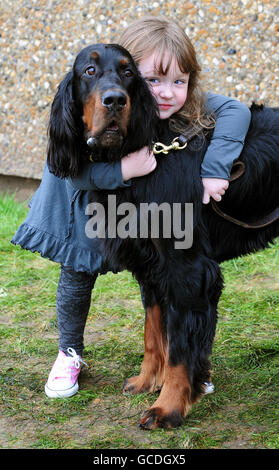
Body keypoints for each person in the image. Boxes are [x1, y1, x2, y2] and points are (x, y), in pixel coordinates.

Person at [11, 16, 251, 399]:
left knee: (155, 269)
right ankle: (68, 352)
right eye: (152, 80)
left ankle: (180, 363)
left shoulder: (163, 113)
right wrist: (123, 169)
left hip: (120, 216)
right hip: (76, 219)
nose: (165, 92)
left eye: (177, 80)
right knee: (77, 276)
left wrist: (215, 170)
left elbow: (236, 110)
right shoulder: (77, 112)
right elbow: (74, 175)